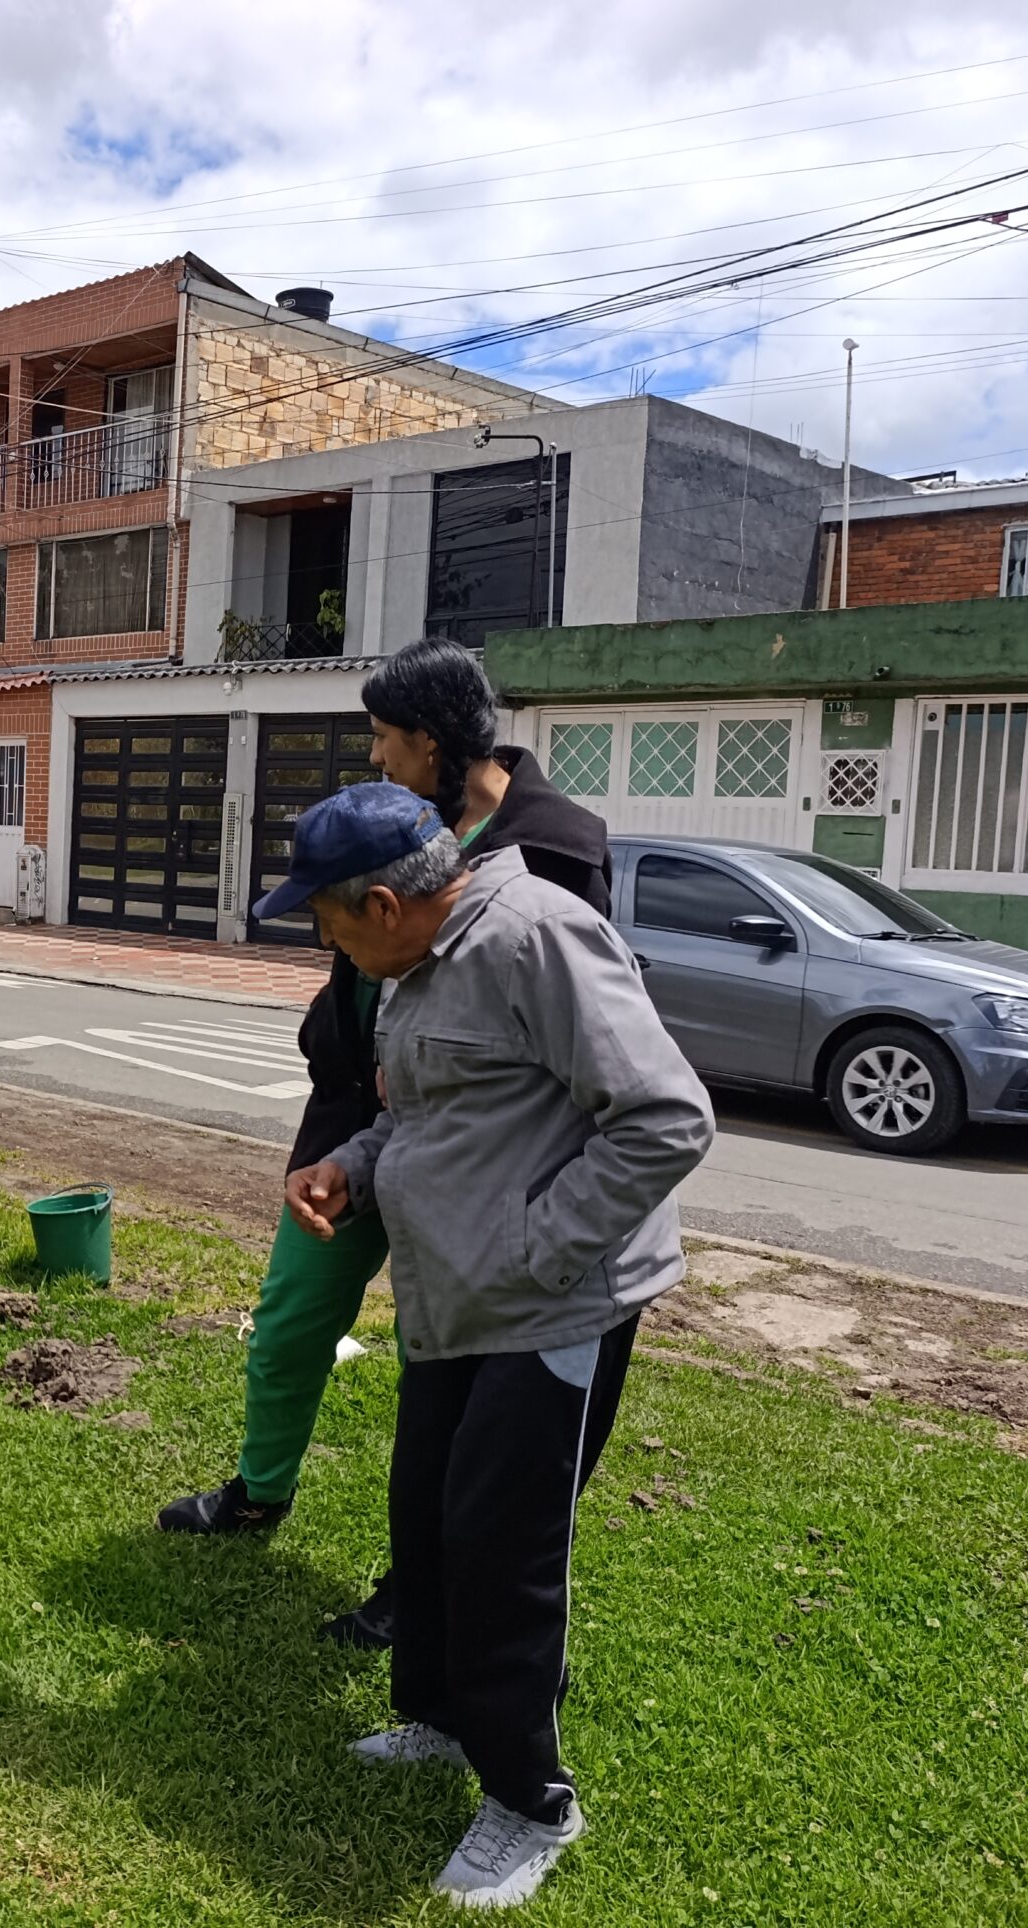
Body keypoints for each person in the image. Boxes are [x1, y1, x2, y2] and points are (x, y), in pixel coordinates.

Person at [270, 783, 712, 1909]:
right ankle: (436, 1715)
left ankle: (529, 1798)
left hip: (549, 1303)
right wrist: (356, 1165)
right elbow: (432, 1112)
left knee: (500, 1544)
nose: (328, 947)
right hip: (452, 1296)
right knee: (423, 1512)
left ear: (381, 903)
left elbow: (665, 1116)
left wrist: (533, 1244)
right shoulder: (418, 966)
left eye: (325, 924)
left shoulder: (536, 938)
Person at [157, 638, 614, 1650]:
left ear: (430, 740)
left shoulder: (556, 847)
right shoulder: (394, 825)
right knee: (289, 1315)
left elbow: (602, 1054)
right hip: (355, 1126)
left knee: (441, 1374)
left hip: (472, 1150)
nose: (371, 758)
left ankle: (420, 1581)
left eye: (380, 738)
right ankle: (259, 1488)